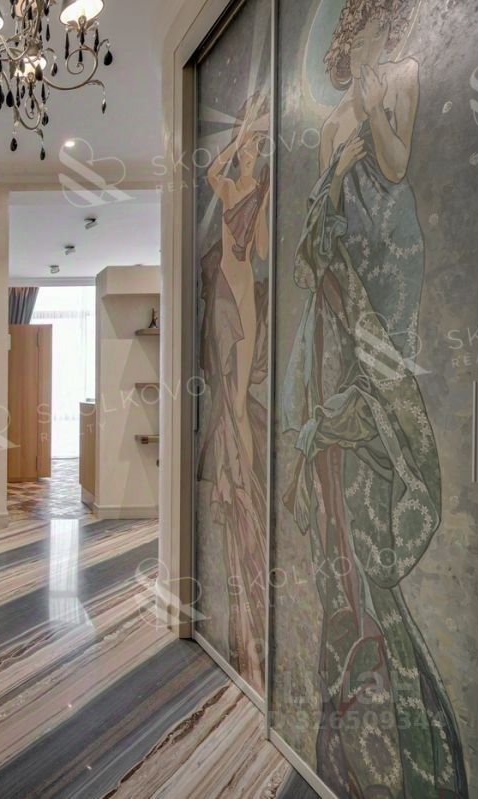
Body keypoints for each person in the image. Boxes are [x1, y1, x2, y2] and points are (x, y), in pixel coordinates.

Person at [279, 0, 468, 794]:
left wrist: (370, 104)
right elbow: (313, 237)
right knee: (339, 531)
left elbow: (393, 166)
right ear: (346, 42)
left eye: (384, 30)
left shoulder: (406, 78)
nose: (378, 41)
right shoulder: (328, 130)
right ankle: (352, 720)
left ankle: (415, 740)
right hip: (340, 297)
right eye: (365, 33)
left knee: (378, 429)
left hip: (386, 275)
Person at [197, 91, 271, 693]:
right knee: (227, 389)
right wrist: (239, 136)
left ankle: (241, 472)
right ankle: (234, 470)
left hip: (243, 289)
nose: (249, 152)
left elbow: (264, 250)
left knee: (238, 391)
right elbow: (210, 174)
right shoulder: (228, 188)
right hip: (224, 289)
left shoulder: (258, 192)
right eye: (247, 143)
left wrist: (262, 199)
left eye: (257, 144)